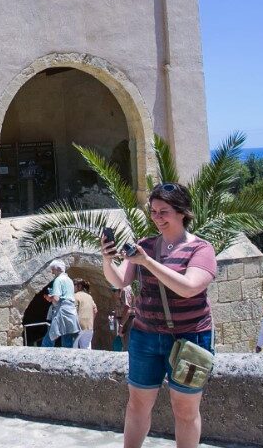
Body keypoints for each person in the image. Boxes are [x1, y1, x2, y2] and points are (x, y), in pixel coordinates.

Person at [101, 183, 217, 448]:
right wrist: (107, 260)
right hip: (146, 336)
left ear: (182, 212)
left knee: (185, 410)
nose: (157, 218)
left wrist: (148, 263)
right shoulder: (146, 246)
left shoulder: (201, 249)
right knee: (137, 404)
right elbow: (120, 281)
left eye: (164, 211)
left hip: (190, 339)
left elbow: (188, 287)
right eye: (153, 212)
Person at [43, 260, 80, 348]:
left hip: (62, 311)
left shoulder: (58, 280)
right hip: (71, 311)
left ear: (58, 269)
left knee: (49, 339)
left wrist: (49, 298)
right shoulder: (70, 280)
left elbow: (56, 299)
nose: (52, 272)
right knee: (67, 341)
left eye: (53, 269)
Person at [75, 279, 99, 349]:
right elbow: (95, 311)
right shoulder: (89, 297)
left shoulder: (75, 296)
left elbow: (74, 311)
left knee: (74, 349)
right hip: (89, 326)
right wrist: (90, 320)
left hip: (78, 326)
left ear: (79, 286)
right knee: (87, 348)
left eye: (74, 285)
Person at [110, 285, 135, 352]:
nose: (113, 293)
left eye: (114, 291)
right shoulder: (119, 295)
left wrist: (121, 326)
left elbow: (127, 309)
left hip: (128, 319)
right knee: (123, 344)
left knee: (128, 344)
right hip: (122, 320)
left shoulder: (125, 291)